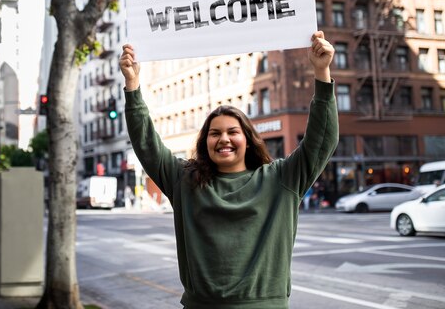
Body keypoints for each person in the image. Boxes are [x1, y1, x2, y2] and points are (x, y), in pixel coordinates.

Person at [119, 31, 338, 309]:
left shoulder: (281, 179)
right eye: (214, 133)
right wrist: (133, 84)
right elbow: (147, 144)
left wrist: (322, 72)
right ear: (205, 141)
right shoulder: (185, 181)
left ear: (248, 139)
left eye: (233, 131)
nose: (223, 139)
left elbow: (323, 140)